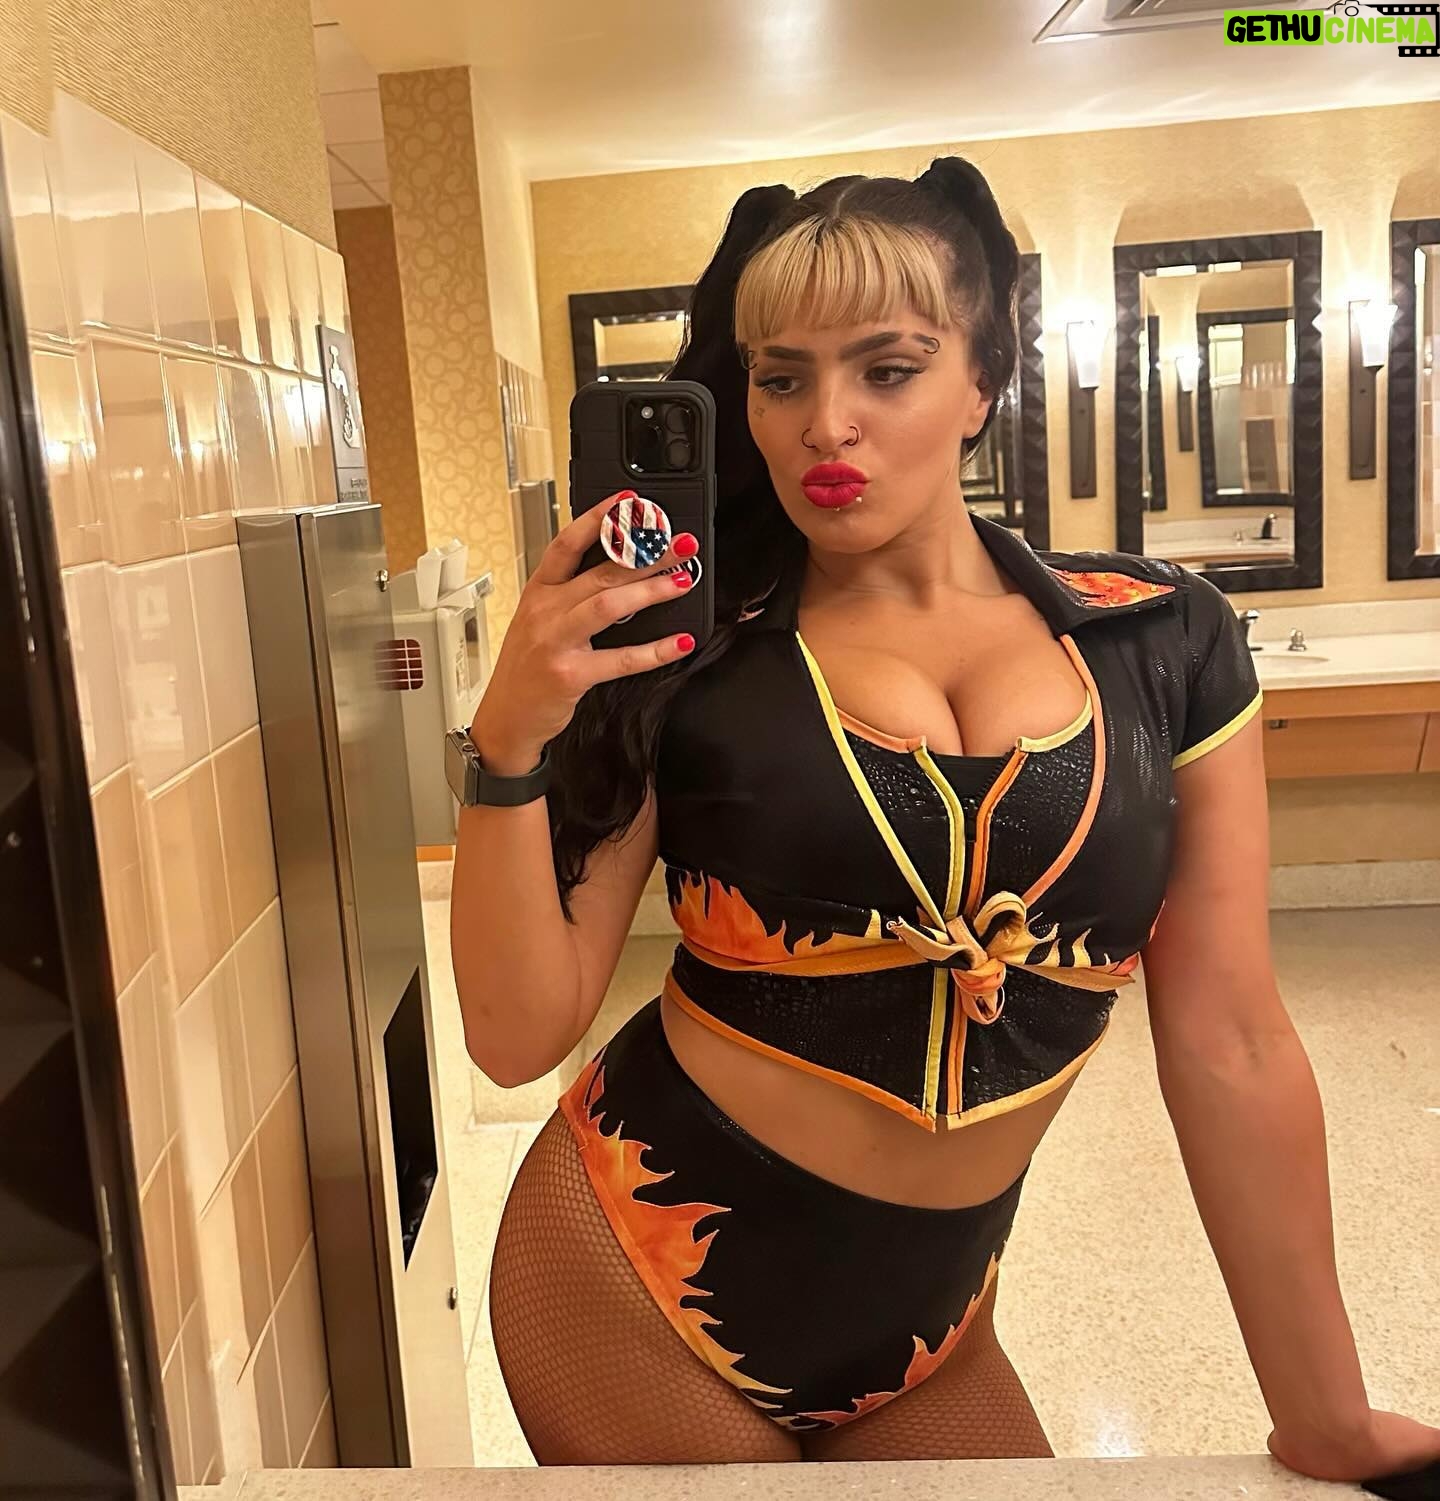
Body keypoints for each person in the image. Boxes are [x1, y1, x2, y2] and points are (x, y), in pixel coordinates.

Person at [452, 157, 1440, 1475]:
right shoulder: (683, 652)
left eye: (889, 369)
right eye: (782, 379)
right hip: (629, 1279)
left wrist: (1325, 1412)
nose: (828, 424)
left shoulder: (1164, 644)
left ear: (983, 382)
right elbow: (516, 1031)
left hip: (928, 1333)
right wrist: (509, 740)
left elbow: (1235, 1040)